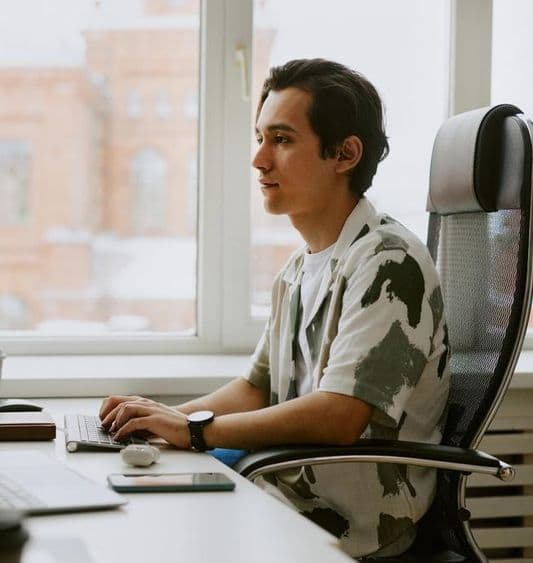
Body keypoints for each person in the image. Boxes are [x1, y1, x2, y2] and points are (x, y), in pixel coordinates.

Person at [99, 58, 450, 558]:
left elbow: (339, 415)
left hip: (348, 522)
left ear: (345, 154)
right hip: (282, 488)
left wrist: (195, 431)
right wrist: (158, 420)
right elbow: (256, 387)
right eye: (260, 138)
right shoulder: (297, 269)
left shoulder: (389, 263)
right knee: (125, 511)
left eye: (282, 140)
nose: (259, 159)